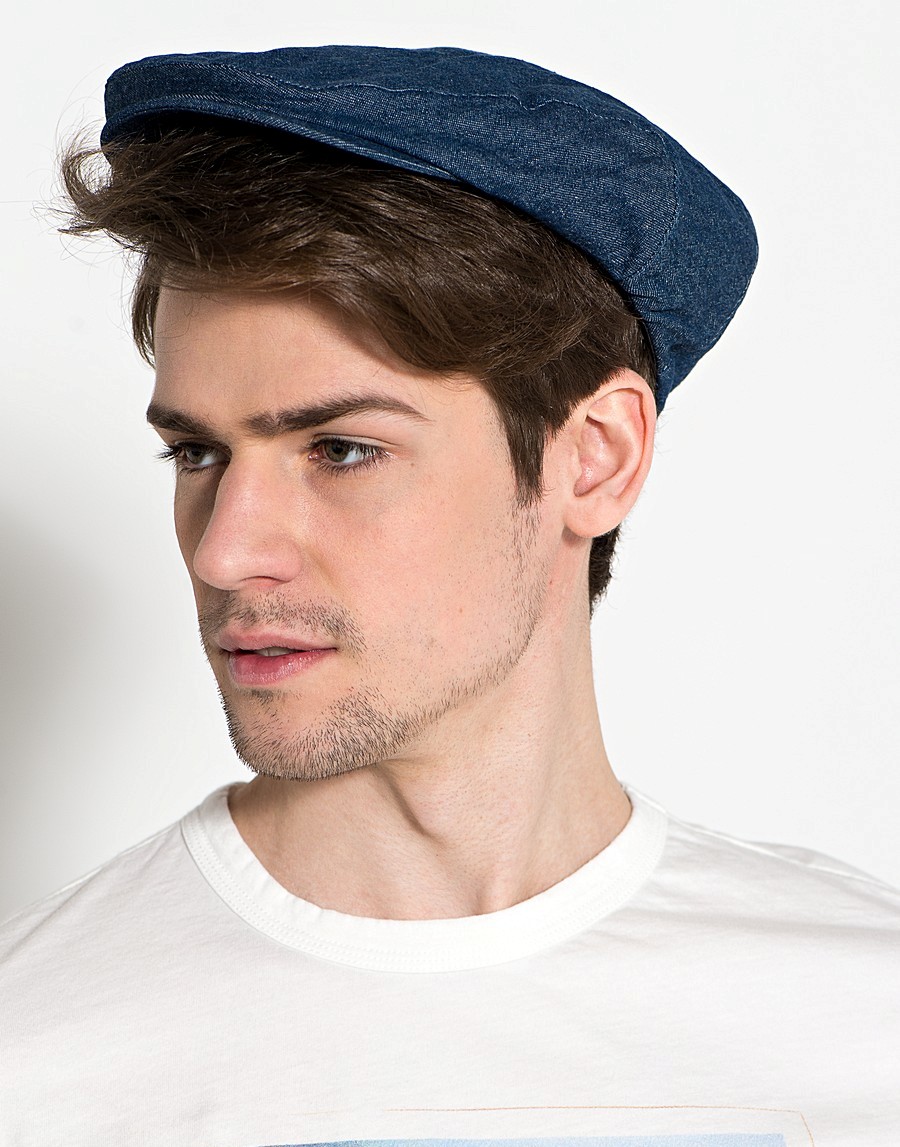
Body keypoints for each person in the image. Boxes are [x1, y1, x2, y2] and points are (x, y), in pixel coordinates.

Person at [1, 44, 897, 1146]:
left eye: (340, 449)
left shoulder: (864, 1022)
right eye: (197, 453)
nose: (225, 553)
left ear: (596, 458)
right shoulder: (33, 1054)